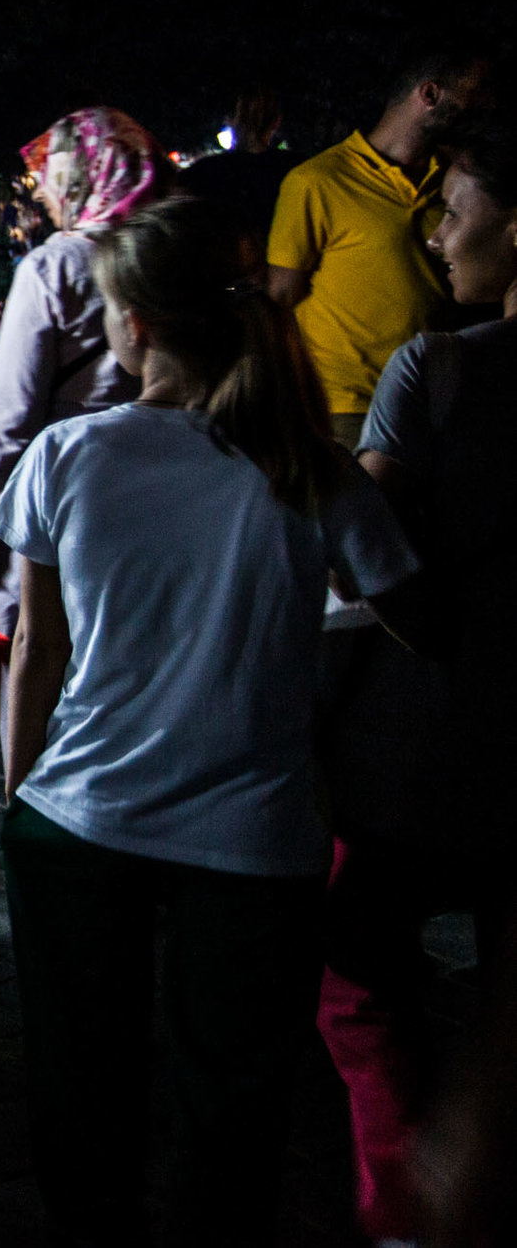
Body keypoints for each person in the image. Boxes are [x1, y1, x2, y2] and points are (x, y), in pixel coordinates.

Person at [0, 196, 420, 1243]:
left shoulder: (69, 454)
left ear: (133, 324)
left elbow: (36, 651)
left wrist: (15, 799)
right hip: (255, 837)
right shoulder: (308, 468)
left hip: (81, 816)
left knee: (81, 1079)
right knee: (231, 1101)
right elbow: (420, 616)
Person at [318, 109, 517, 1244]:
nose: (437, 234)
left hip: (425, 746)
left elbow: (370, 543)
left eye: (455, 208)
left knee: (356, 972)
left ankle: (401, 1198)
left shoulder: (434, 368)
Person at [0, 109, 159, 637]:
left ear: (82, 177)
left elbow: (11, 412)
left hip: (62, 495)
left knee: (41, 650)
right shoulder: (171, 257)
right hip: (154, 489)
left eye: (50, 177)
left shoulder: (52, 269)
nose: (42, 194)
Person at [269, 38, 495, 442]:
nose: (487, 104)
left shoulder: (455, 180)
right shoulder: (316, 181)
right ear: (430, 94)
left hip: (432, 397)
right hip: (346, 407)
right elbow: (281, 294)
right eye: (476, 92)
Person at [180, 86, 297, 275]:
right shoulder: (296, 170)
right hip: (278, 276)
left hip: (217, 279)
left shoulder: (201, 174)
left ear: (229, 121)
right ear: (276, 122)